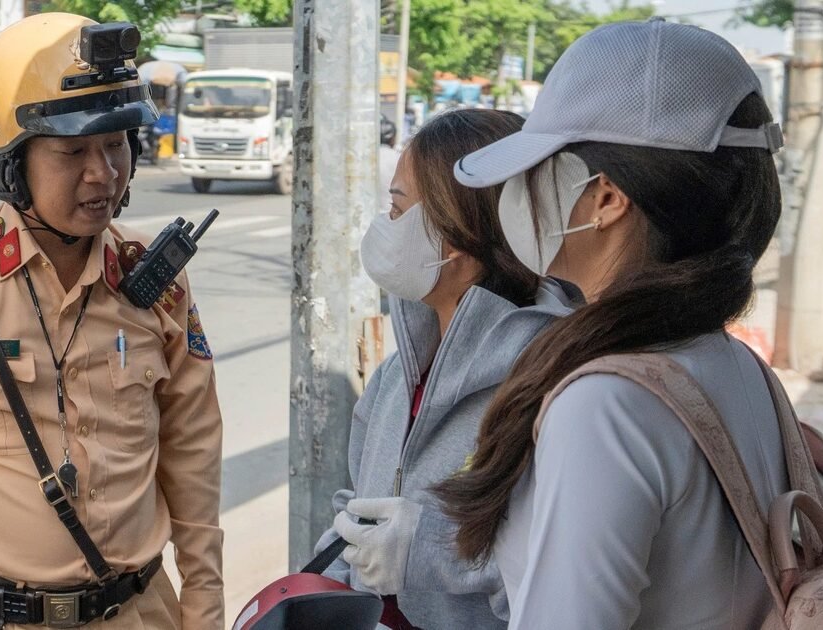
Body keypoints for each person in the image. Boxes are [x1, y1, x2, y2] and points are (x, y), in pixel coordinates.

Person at [0, 13, 223, 630]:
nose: (103, 173)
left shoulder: (158, 286)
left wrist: (205, 609)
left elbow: (193, 453)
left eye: (116, 145)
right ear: (12, 163)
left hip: (142, 614)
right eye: (73, 151)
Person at [435, 18, 790, 629]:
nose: (518, 192)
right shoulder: (739, 368)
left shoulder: (608, 404)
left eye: (539, 165)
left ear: (605, 197)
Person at [315, 108, 582, 629]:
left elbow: (568, 576)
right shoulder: (398, 376)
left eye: (397, 207)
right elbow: (358, 505)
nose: (383, 225)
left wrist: (430, 549)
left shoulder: (552, 383)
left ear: (456, 236)